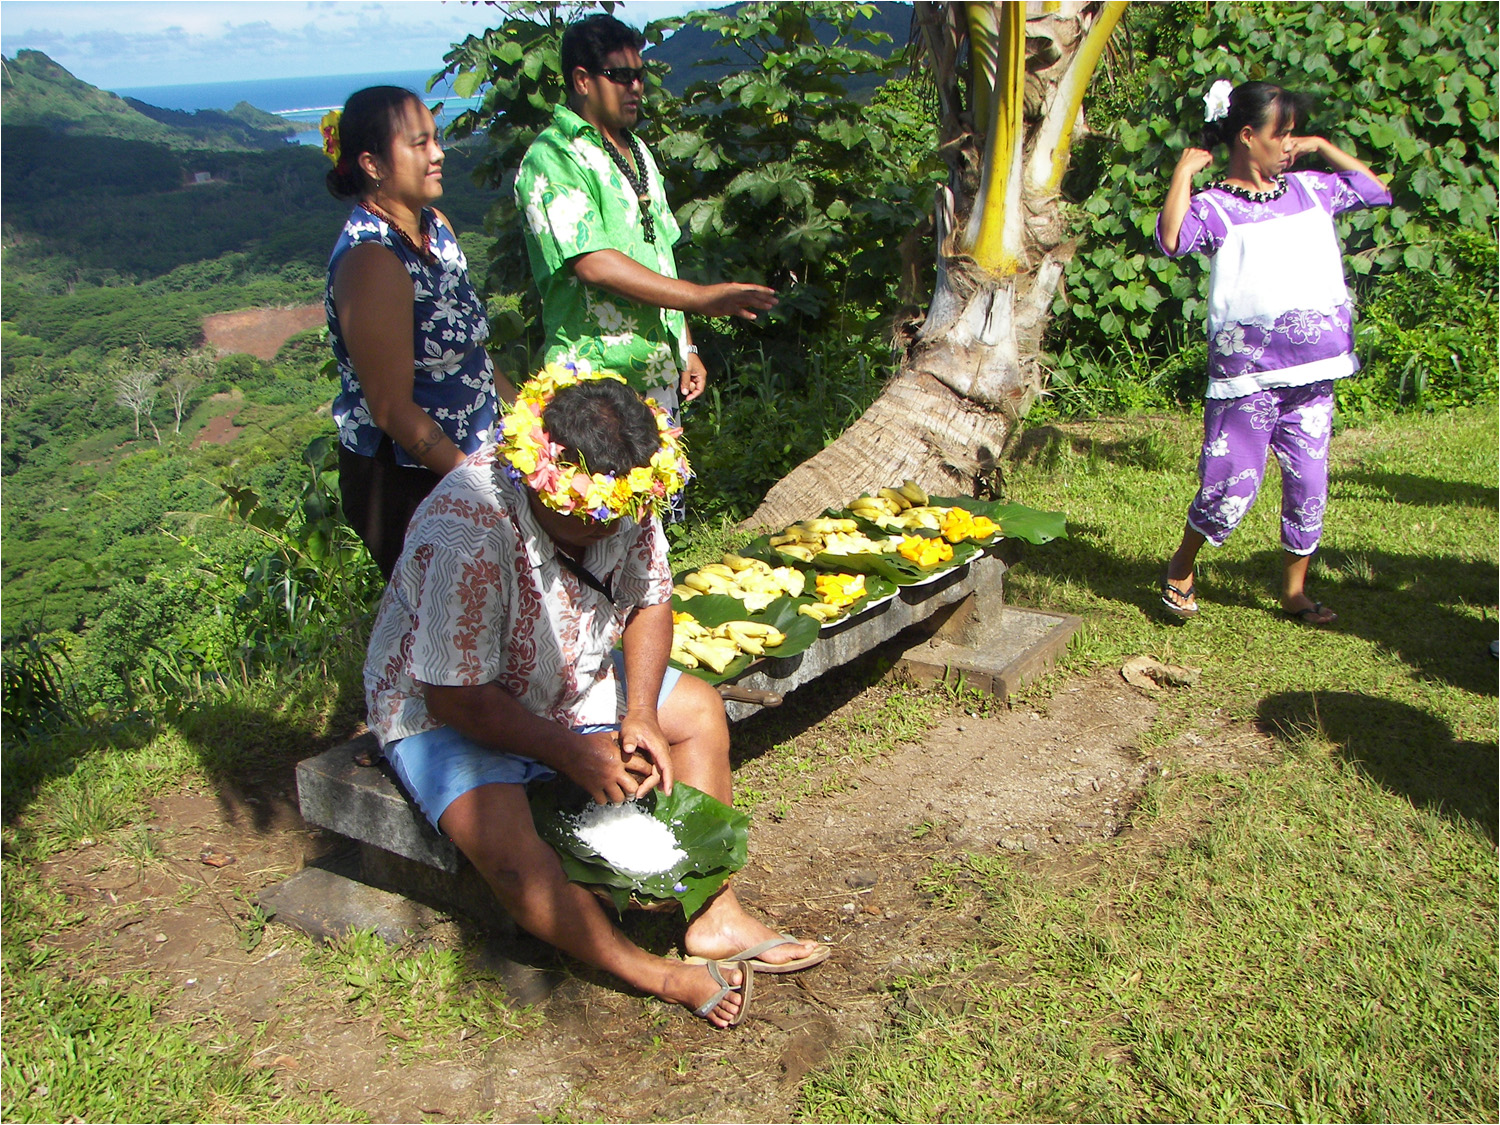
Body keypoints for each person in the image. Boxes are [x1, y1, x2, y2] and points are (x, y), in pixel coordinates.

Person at [363, 365, 828, 1028]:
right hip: (446, 702)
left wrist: (638, 710)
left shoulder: (626, 492)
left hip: (570, 664)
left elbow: (651, 600)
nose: (612, 531)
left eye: (620, 518)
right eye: (592, 523)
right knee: (511, 855)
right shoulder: (466, 524)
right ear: (541, 481)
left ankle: (712, 910)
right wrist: (567, 752)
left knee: (694, 709)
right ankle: (656, 972)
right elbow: (454, 695)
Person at [1156, 80, 1390, 625]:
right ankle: (1182, 565)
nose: (1289, 144)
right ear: (1246, 136)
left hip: (1315, 371)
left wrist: (1322, 147)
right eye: (1279, 134)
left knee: (1309, 482)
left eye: (1292, 135)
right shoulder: (1215, 206)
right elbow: (1172, 240)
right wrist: (1183, 175)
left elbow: (1374, 191)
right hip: (1250, 376)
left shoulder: (1312, 189)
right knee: (1230, 481)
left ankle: (1294, 593)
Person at [514, 13, 778, 425]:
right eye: (620, 75)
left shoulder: (636, 151)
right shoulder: (554, 156)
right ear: (582, 81)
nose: (636, 87)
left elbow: (661, 260)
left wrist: (686, 347)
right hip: (594, 386)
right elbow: (593, 263)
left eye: (640, 75)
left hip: (657, 379)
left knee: (666, 491)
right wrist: (703, 298)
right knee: (605, 491)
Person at [322, 86, 501, 579]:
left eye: (436, 140)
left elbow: (473, 354)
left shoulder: (435, 228)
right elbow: (391, 410)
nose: (438, 153)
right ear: (373, 165)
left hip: (470, 457)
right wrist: (477, 485)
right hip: (410, 480)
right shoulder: (372, 261)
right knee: (449, 626)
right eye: (420, 144)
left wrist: (531, 418)